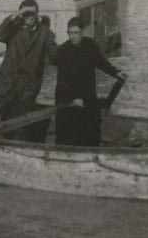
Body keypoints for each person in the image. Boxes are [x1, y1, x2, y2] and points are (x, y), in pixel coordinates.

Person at [0, 0, 57, 140]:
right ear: (21, 14)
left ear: (37, 14)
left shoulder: (45, 33)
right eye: (26, 14)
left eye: (33, 13)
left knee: (15, 122)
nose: (30, 17)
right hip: (6, 79)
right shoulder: (13, 29)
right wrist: (15, 16)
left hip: (27, 87)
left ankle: (7, 143)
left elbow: (55, 56)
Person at [54, 17, 126, 146]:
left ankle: (92, 147)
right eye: (70, 33)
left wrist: (115, 72)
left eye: (76, 33)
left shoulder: (90, 45)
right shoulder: (63, 51)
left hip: (87, 94)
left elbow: (101, 62)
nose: (73, 36)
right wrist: (73, 98)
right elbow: (62, 80)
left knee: (91, 126)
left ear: (82, 32)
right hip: (68, 98)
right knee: (69, 131)